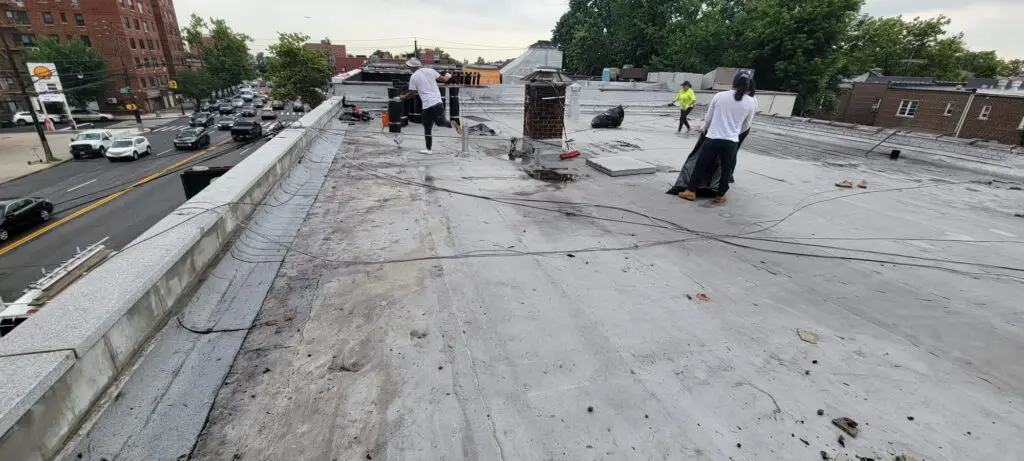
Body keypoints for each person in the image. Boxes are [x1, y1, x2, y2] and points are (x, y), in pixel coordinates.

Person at [676, 72, 756, 204]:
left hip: (713, 138)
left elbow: (709, 117)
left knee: (701, 165)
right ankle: (720, 195)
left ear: (734, 83)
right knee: (726, 169)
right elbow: (747, 124)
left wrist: (705, 128)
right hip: (731, 142)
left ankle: (691, 191)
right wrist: (734, 132)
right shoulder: (750, 102)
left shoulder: (720, 96)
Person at [393, 57, 462, 154]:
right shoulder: (430, 70)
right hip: (438, 103)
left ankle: (429, 149)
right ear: (419, 65)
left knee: (427, 127)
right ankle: (454, 124)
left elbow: (412, 93)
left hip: (427, 106)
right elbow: (444, 79)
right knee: (440, 122)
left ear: (411, 67)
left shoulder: (413, 77)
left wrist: (401, 98)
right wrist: (448, 75)